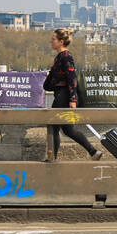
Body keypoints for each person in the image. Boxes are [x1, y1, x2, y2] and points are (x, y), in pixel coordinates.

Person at [43, 28, 103, 161]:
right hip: (60, 95)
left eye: (53, 39)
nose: (51, 41)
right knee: (68, 130)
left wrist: (73, 99)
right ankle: (93, 152)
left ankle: (52, 158)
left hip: (63, 97)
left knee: (53, 126)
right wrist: (52, 68)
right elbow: (47, 86)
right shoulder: (59, 58)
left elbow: (72, 79)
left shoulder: (66, 57)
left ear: (61, 41)